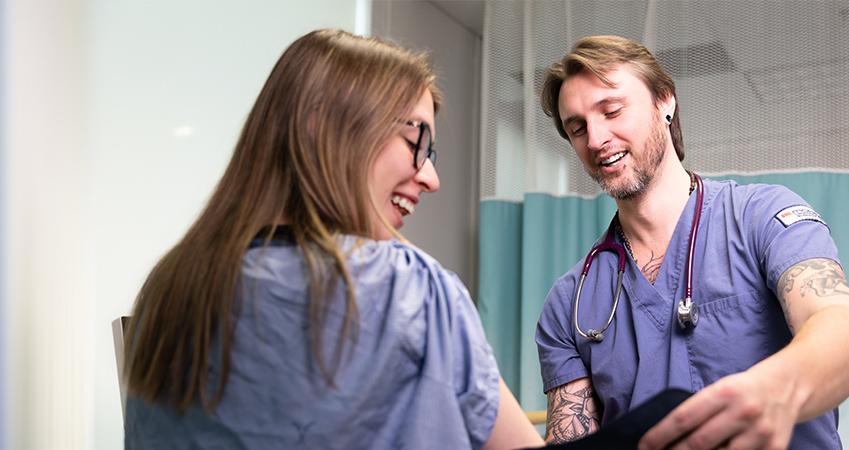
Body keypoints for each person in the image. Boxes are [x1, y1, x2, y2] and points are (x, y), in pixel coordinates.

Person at [122, 29, 543, 450]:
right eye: (417, 141)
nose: (431, 178)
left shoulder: (169, 291)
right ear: (321, 127)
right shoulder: (412, 289)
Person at [534, 35, 849, 450]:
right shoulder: (570, 302)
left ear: (665, 102)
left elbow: (843, 331)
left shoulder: (761, 218)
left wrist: (777, 389)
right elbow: (572, 437)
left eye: (612, 110)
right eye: (578, 128)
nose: (597, 138)